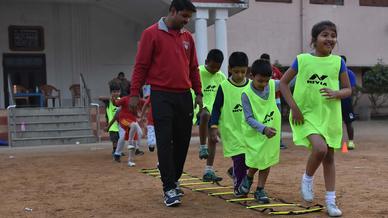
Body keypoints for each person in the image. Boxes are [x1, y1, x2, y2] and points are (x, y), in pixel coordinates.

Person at [129, 0, 202, 207]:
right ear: (173, 11)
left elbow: (193, 67)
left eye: (189, 17)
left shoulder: (187, 37)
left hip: (184, 96)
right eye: (184, 16)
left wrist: (198, 92)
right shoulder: (151, 34)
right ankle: (169, 188)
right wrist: (134, 93)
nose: (187, 21)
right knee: (164, 140)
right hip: (161, 95)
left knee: (182, 142)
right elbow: (141, 66)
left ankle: (174, 177)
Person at [280, 21, 351, 217]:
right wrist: (294, 108)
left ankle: (330, 202)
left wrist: (336, 93)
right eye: (325, 35)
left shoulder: (339, 62)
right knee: (320, 149)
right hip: (306, 115)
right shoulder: (302, 60)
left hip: (329, 116)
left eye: (333, 35)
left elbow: (348, 89)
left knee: (329, 157)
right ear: (314, 40)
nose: (330, 39)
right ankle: (307, 179)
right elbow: (284, 84)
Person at [237, 59, 281, 203]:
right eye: (260, 81)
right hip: (255, 133)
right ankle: (248, 177)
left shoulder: (273, 85)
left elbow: (288, 82)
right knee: (256, 161)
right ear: (251, 76)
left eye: (266, 81)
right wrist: (263, 129)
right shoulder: (246, 94)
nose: (263, 84)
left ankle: (260, 189)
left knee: (266, 161)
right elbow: (248, 118)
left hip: (271, 131)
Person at [209, 51, 250, 197]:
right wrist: (213, 127)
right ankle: (239, 186)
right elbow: (215, 108)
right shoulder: (224, 86)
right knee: (239, 157)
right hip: (230, 130)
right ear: (229, 69)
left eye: (243, 72)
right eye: (236, 71)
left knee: (251, 159)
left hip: (249, 130)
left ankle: (235, 172)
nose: (239, 75)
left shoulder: (251, 86)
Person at [197, 49, 226, 182]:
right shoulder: (198, 72)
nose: (215, 69)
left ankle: (208, 171)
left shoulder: (221, 76)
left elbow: (226, 92)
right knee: (205, 115)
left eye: (217, 67)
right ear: (206, 62)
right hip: (200, 106)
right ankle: (202, 147)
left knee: (214, 139)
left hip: (216, 110)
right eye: (212, 66)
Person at [260, 53, 287, 149]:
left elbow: (284, 81)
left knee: (277, 120)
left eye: (266, 61)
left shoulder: (275, 70)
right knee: (265, 121)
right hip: (264, 101)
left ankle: (279, 141)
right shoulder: (259, 71)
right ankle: (265, 140)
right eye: (263, 61)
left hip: (276, 99)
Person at [111, 94, 143, 167]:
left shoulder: (138, 101)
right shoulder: (124, 100)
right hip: (123, 121)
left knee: (139, 133)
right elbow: (115, 115)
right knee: (122, 138)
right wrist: (113, 100)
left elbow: (146, 104)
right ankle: (117, 154)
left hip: (132, 121)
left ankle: (134, 151)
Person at [340, 55, 357, 150]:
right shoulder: (332, 72)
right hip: (333, 100)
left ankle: (351, 142)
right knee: (334, 122)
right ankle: (335, 142)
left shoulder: (349, 73)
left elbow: (352, 88)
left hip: (346, 100)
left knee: (348, 122)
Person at [104, 80, 121, 157]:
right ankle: (115, 151)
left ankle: (118, 150)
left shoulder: (121, 100)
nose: (116, 93)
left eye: (117, 91)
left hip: (120, 124)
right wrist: (110, 98)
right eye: (114, 92)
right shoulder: (108, 101)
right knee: (114, 140)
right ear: (111, 92)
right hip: (112, 125)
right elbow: (100, 97)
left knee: (120, 139)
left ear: (120, 92)